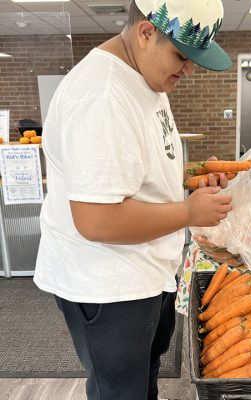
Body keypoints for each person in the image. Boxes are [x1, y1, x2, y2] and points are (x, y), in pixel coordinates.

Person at [34, 0, 232, 398]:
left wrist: (191, 175)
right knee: (121, 392)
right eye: (182, 55)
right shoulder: (102, 96)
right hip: (108, 287)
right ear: (146, 34)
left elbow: (141, 168)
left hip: (144, 275)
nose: (188, 69)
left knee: (142, 383)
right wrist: (190, 212)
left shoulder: (144, 76)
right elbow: (97, 220)